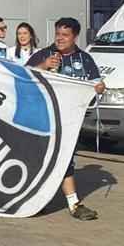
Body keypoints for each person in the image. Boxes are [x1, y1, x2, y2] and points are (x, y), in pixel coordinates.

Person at [27, 17, 105, 221]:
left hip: (71, 122)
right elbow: (24, 78)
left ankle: (73, 204)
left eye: (65, 35)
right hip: (44, 120)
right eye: (57, 34)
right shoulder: (43, 54)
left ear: (75, 36)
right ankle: (35, 200)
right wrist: (43, 66)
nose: (60, 39)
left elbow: (96, 84)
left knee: (66, 160)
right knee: (41, 160)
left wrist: (99, 88)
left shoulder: (85, 59)